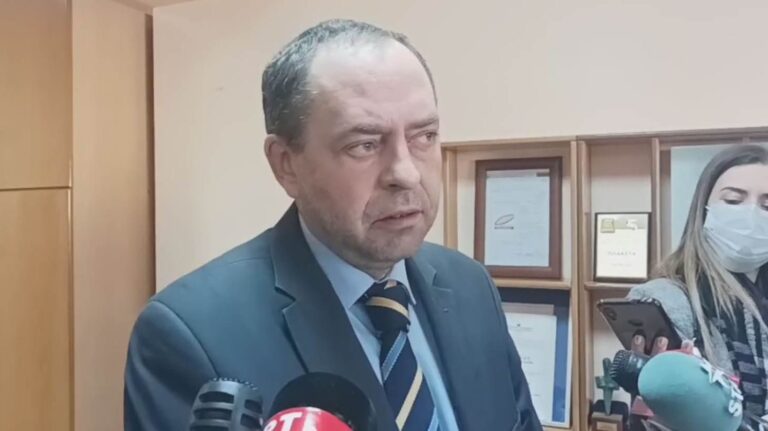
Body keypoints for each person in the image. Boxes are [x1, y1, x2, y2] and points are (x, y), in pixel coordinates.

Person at [124, 19, 541, 431]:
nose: (406, 173)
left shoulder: (470, 286)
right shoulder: (191, 333)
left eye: (424, 136)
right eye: (364, 145)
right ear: (286, 165)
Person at [628, 144, 768, 428]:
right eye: (733, 200)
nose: (751, 215)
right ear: (703, 210)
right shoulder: (665, 301)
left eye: (767, 206)